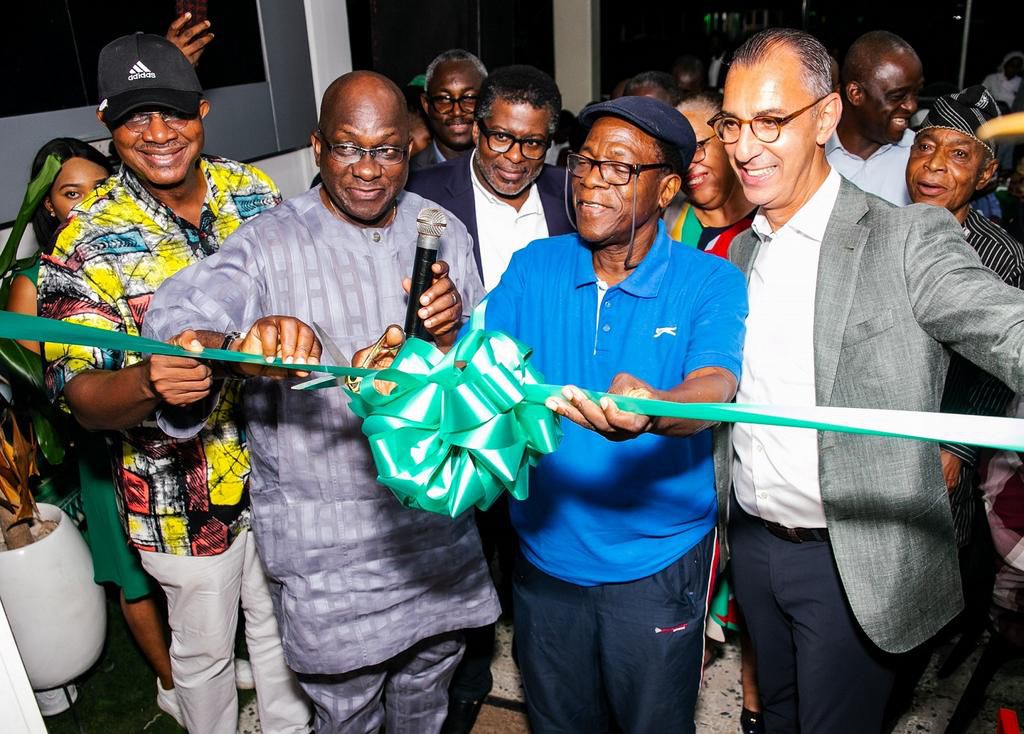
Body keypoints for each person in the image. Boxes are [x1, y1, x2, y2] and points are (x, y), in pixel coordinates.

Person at [143, 70, 500, 734]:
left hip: (434, 533)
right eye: (348, 147)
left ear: (410, 150)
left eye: (386, 149)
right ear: (317, 147)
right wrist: (240, 346)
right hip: (328, 549)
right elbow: (179, 323)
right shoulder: (268, 242)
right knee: (346, 710)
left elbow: (486, 376)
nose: (367, 168)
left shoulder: (442, 230)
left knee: (429, 688)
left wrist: (454, 335)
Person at [713, 28, 1024, 733]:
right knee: (775, 718)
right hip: (754, 544)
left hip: (850, 560)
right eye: (733, 123)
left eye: (771, 121)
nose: (745, 147)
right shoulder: (739, 255)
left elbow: (1002, 323)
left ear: (826, 116)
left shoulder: (907, 237)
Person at [38, 33, 310, 734]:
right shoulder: (84, 239)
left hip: (285, 469)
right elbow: (78, 396)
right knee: (205, 655)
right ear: (106, 121)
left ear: (202, 110)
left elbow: (300, 300)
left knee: (283, 631)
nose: (158, 133)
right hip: (179, 498)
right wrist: (148, 382)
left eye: (173, 112)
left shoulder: (253, 192)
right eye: (135, 117)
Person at [480, 95, 748, 732]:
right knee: (558, 722)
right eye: (584, 161)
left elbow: (715, 386)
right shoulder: (534, 265)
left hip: (656, 565)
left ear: (667, 189)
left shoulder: (710, 280)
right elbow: (479, 366)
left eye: (619, 168)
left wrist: (655, 409)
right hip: (543, 554)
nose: (592, 180)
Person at [406, 63, 573, 733]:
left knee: (538, 553)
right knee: (463, 549)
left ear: (550, 142)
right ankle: (467, 680)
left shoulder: (572, 194)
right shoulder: (423, 194)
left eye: (532, 142)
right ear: (477, 130)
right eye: (501, 137)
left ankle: (543, 675)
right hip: (458, 410)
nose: (514, 156)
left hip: (545, 412)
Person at [4, 137, 186, 720]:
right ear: (48, 204)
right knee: (132, 574)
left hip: (165, 435)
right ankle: (170, 685)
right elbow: (40, 380)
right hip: (103, 444)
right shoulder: (35, 279)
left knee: (182, 568)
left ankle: (195, 666)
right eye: (70, 193)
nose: (85, 203)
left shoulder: (134, 252)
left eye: (98, 188)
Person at [826, 31, 923, 206]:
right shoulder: (811, 153)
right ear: (855, 93)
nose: (912, 106)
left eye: (915, 94)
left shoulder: (920, 157)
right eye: (897, 96)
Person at [669, 91, 755, 258]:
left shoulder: (772, 221)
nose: (687, 164)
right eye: (678, 156)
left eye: (697, 147)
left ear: (728, 137)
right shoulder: (665, 222)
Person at [413, 49, 488, 170]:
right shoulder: (408, 175)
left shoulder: (509, 168)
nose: (457, 112)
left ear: (487, 101)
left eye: (469, 98)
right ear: (426, 105)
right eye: (444, 99)